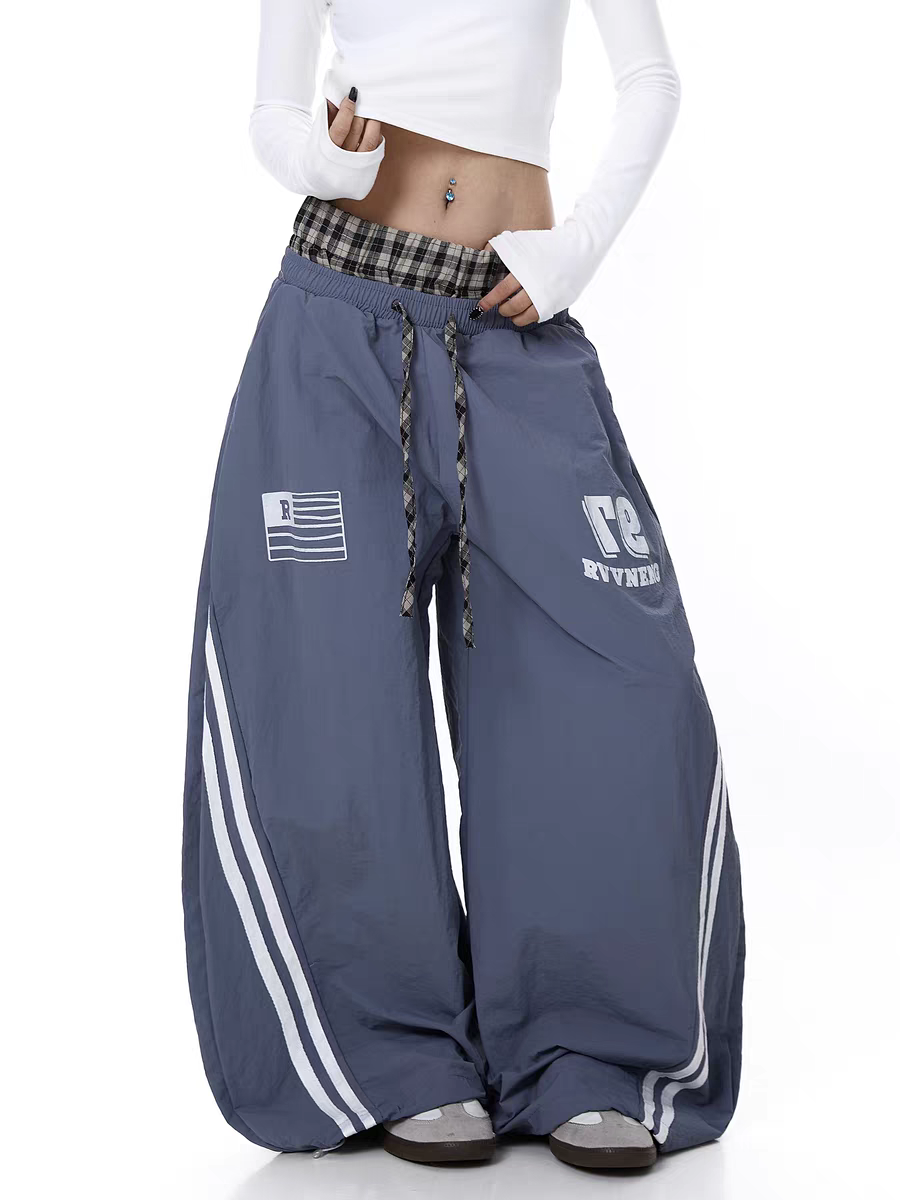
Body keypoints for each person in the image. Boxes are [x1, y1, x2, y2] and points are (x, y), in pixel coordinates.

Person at [181, 0, 745, 1172]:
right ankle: (389, 1056)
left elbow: (650, 79)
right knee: (325, 700)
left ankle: (592, 1049)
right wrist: (322, 160)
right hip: (335, 320)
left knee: (611, 689)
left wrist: (575, 248)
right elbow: (273, 113)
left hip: (515, 320)